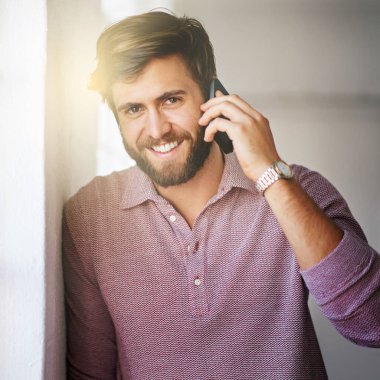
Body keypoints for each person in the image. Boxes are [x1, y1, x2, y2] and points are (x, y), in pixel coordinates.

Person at [62, 11, 380, 380]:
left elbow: (371, 323)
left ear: (213, 95)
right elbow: (89, 372)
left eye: (170, 100)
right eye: (134, 109)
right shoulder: (90, 215)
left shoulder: (299, 190)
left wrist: (270, 173)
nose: (156, 129)